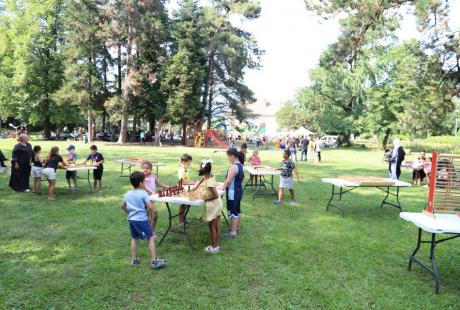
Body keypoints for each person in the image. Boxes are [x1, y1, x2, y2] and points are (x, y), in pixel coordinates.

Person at [120, 171, 166, 269]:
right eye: (144, 182)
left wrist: (130, 213)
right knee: (150, 238)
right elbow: (150, 206)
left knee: (134, 238)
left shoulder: (127, 193)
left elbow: (122, 206)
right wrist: (152, 216)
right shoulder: (143, 194)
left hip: (132, 220)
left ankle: (134, 260)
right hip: (142, 220)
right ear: (141, 183)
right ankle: (154, 261)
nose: (145, 183)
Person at [191, 160, 223, 253]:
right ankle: (217, 244)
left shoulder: (209, 181)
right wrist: (195, 188)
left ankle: (214, 247)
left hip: (213, 204)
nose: (198, 169)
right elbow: (201, 180)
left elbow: (216, 195)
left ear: (203, 170)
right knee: (216, 224)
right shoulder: (209, 176)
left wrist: (205, 198)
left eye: (199, 167)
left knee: (212, 225)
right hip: (217, 204)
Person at [219, 148, 244, 238]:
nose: (228, 159)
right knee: (237, 210)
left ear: (232, 156)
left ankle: (233, 232)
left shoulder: (233, 167)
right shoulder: (240, 165)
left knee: (234, 211)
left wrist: (221, 187)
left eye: (228, 157)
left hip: (233, 192)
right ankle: (236, 228)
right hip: (238, 191)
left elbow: (228, 181)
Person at [142, 160, 170, 230]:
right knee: (148, 216)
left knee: (155, 216)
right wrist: (152, 192)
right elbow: (145, 186)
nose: (145, 169)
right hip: (145, 199)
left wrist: (168, 187)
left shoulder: (153, 176)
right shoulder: (141, 177)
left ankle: (151, 232)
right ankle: (148, 232)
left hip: (153, 199)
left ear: (151, 169)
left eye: (147, 168)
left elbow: (160, 184)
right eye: (143, 168)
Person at [178, 154, 195, 228]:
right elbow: (182, 182)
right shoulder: (181, 170)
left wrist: (191, 181)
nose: (189, 164)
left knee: (185, 205)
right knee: (182, 205)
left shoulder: (185, 169)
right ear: (183, 162)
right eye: (188, 163)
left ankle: (183, 219)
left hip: (186, 189)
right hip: (182, 189)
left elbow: (186, 179)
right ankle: (181, 222)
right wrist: (191, 182)